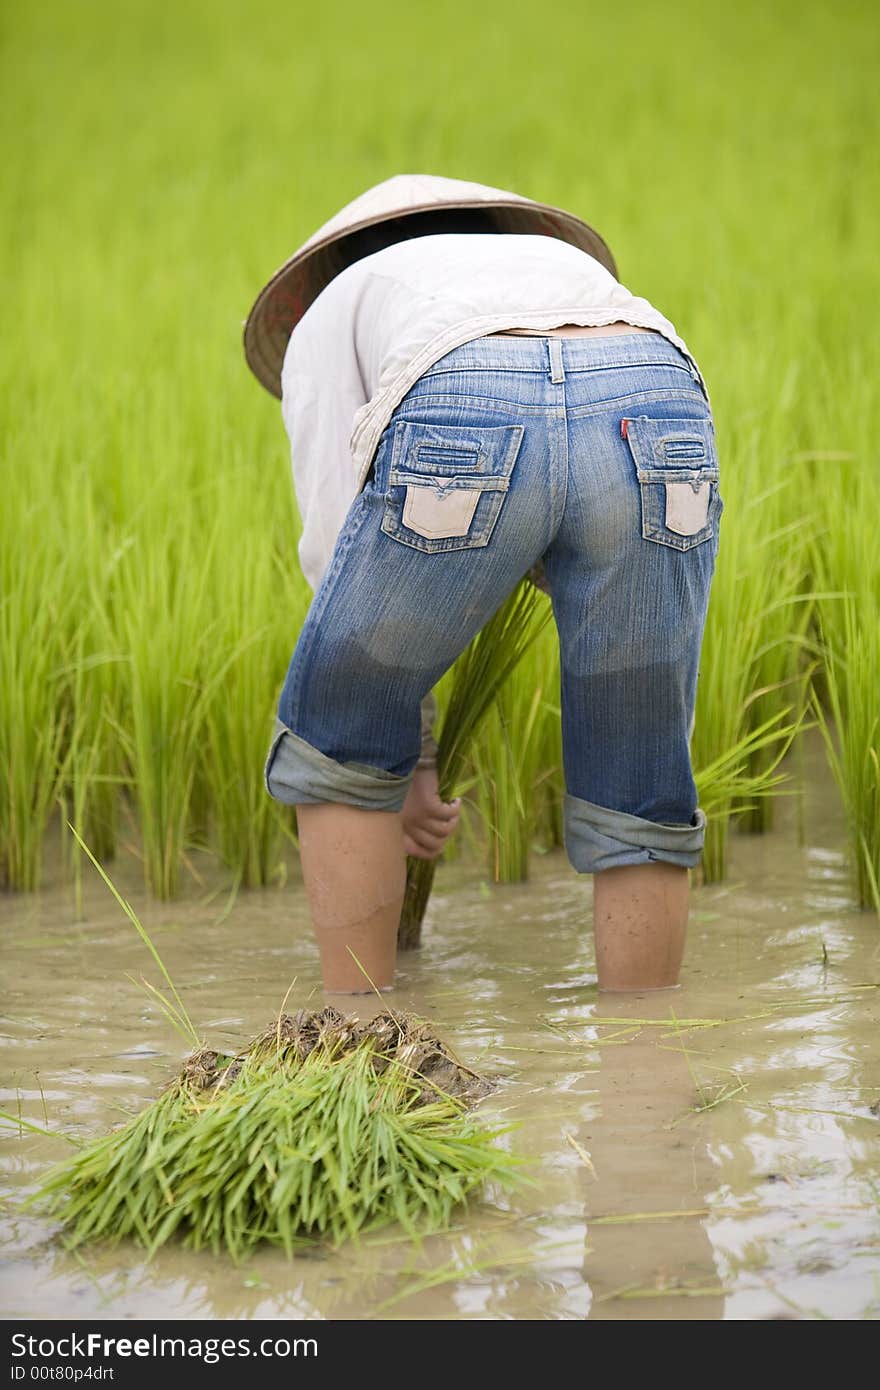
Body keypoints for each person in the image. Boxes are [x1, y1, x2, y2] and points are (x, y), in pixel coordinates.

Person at [243, 175, 721, 996]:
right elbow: (570, 454)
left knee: (339, 727)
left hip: (466, 392)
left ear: (331, 265)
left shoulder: (332, 308)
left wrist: (409, 760)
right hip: (657, 389)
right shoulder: (549, 264)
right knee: (641, 767)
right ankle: (645, 1075)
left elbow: (339, 556)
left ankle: (355, 1048)